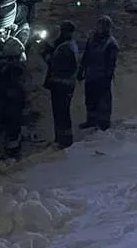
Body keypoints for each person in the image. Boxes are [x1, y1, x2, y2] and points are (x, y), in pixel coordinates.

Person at [42, 20, 79, 149]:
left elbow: (57, 64)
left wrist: (46, 54)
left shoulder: (66, 48)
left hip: (62, 86)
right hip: (62, 85)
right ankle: (61, 139)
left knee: (61, 114)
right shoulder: (66, 45)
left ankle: (64, 141)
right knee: (60, 113)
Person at [78, 14, 118, 131]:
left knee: (103, 100)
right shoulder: (92, 38)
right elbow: (86, 55)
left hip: (102, 77)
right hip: (91, 74)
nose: (100, 28)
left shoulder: (111, 44)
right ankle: (91, 120)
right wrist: (81, 70)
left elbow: (111, 64)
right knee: (90, 99)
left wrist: (107, 78)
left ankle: (104, 123)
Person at [0, 39, 27, 159]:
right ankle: (12, 149)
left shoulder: (12, 68)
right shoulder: (15, 67)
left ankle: (12, 151)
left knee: (11, 126)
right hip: (10, 100)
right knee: (12, 126)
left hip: (10, 101)